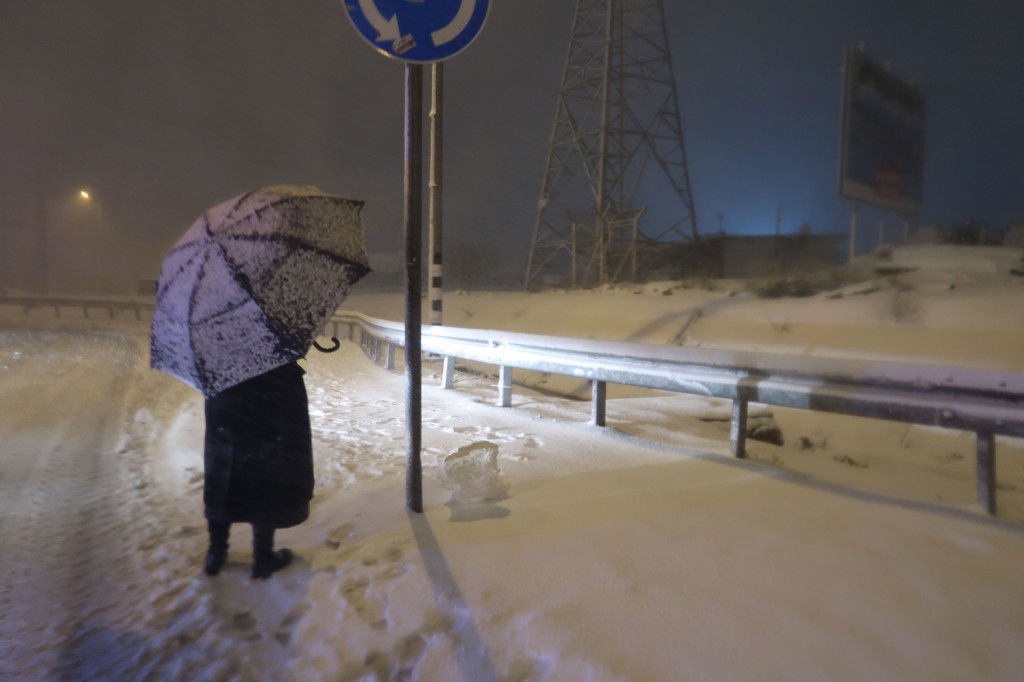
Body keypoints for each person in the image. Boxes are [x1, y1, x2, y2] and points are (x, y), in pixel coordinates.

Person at [202, 360, 314, 579]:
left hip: (223, 402)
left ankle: (216, 553)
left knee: (223, 476)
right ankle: (263, 558)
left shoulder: (214, 342)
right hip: (266, 404)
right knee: (263, 480)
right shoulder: (270, 350)